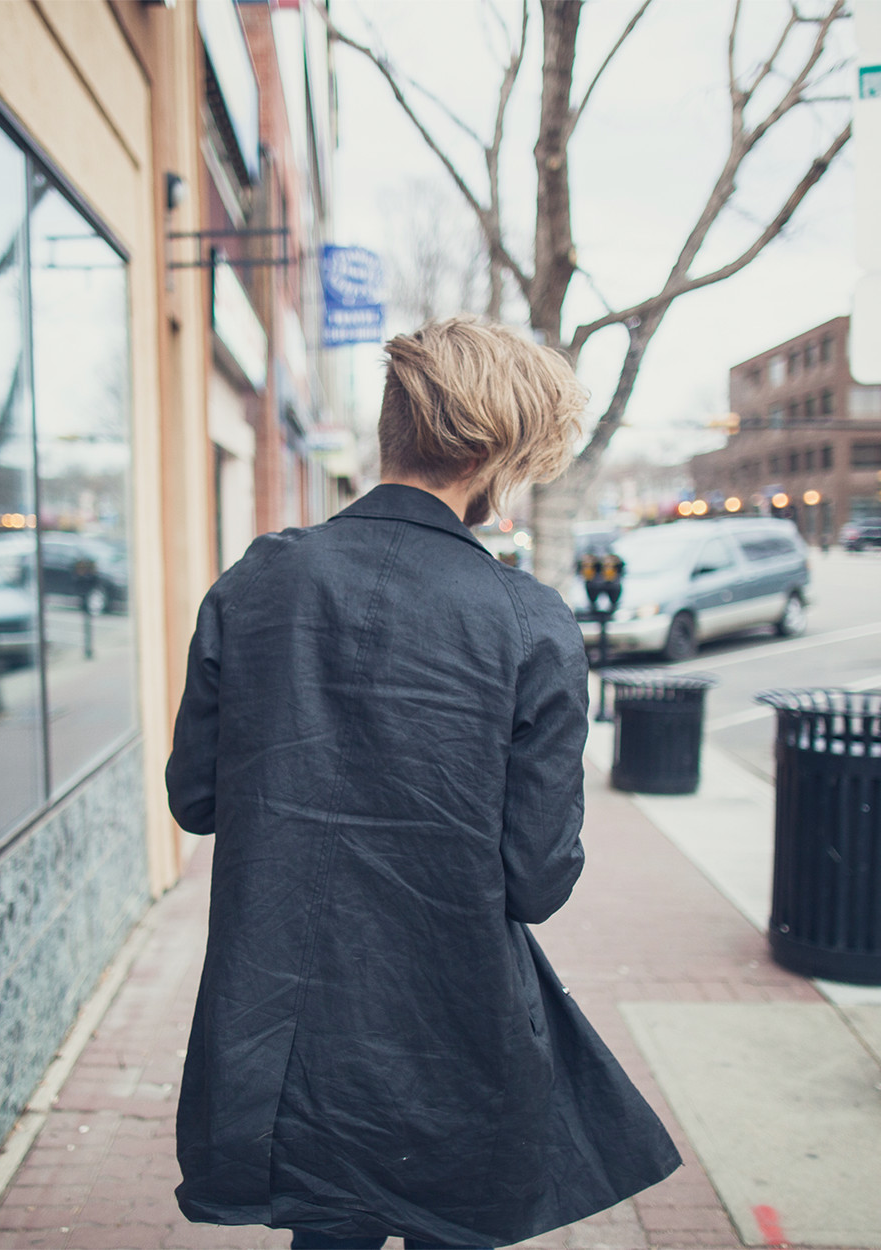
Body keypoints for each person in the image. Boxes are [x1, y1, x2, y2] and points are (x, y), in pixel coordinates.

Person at [166, 317, 680, 1250]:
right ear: (490, 457)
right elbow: (538, 880)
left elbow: (195, 800)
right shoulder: (528, 621)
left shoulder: (257, 583)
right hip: (453, 1033)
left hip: (287, 1030)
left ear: (389, 431)